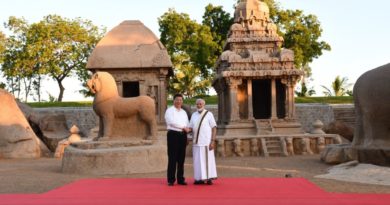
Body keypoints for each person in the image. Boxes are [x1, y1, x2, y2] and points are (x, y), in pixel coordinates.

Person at [188, 98, 217, 185]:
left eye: (200, 104)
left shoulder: (209, 114)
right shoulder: (193, 115)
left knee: (207, 161)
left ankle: (208, 178)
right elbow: (190, 127)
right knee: (197, 161)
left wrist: (212, 141)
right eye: (197, 104)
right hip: (196, 142)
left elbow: (214, 128)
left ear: (204, 105)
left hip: (206, 142)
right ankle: (198, 178)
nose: (199, 105)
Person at [164, 93, 190, 186]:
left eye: (180, 100)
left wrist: (187, 134)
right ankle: (171, 180)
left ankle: (180, 179)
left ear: (182, 101)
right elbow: (171, 122)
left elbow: (187, 124)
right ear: (173, 101)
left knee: (181, 159)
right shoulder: (169, 111)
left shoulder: (183, 112)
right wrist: (183, 127)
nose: (179, 101)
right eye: (177, 100)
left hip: (183, 136)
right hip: (173, 135)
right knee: (172, 158)